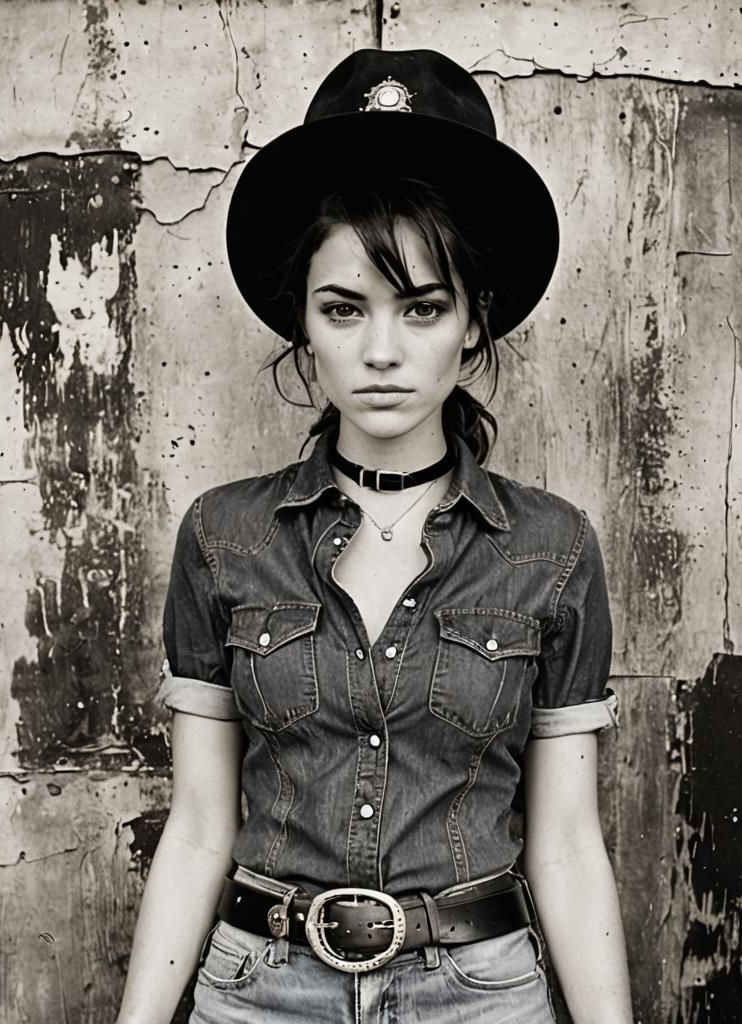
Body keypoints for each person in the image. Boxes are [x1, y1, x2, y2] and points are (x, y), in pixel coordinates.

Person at [116, 49, 634, 1024]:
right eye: (343, 309)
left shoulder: (552, 549)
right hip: (260, 990)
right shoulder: (224, 536)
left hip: (476, 994)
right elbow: (195, 826)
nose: (382, 351)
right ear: (304, 328)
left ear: (475, 322)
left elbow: (564, 841)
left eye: (423, 308)